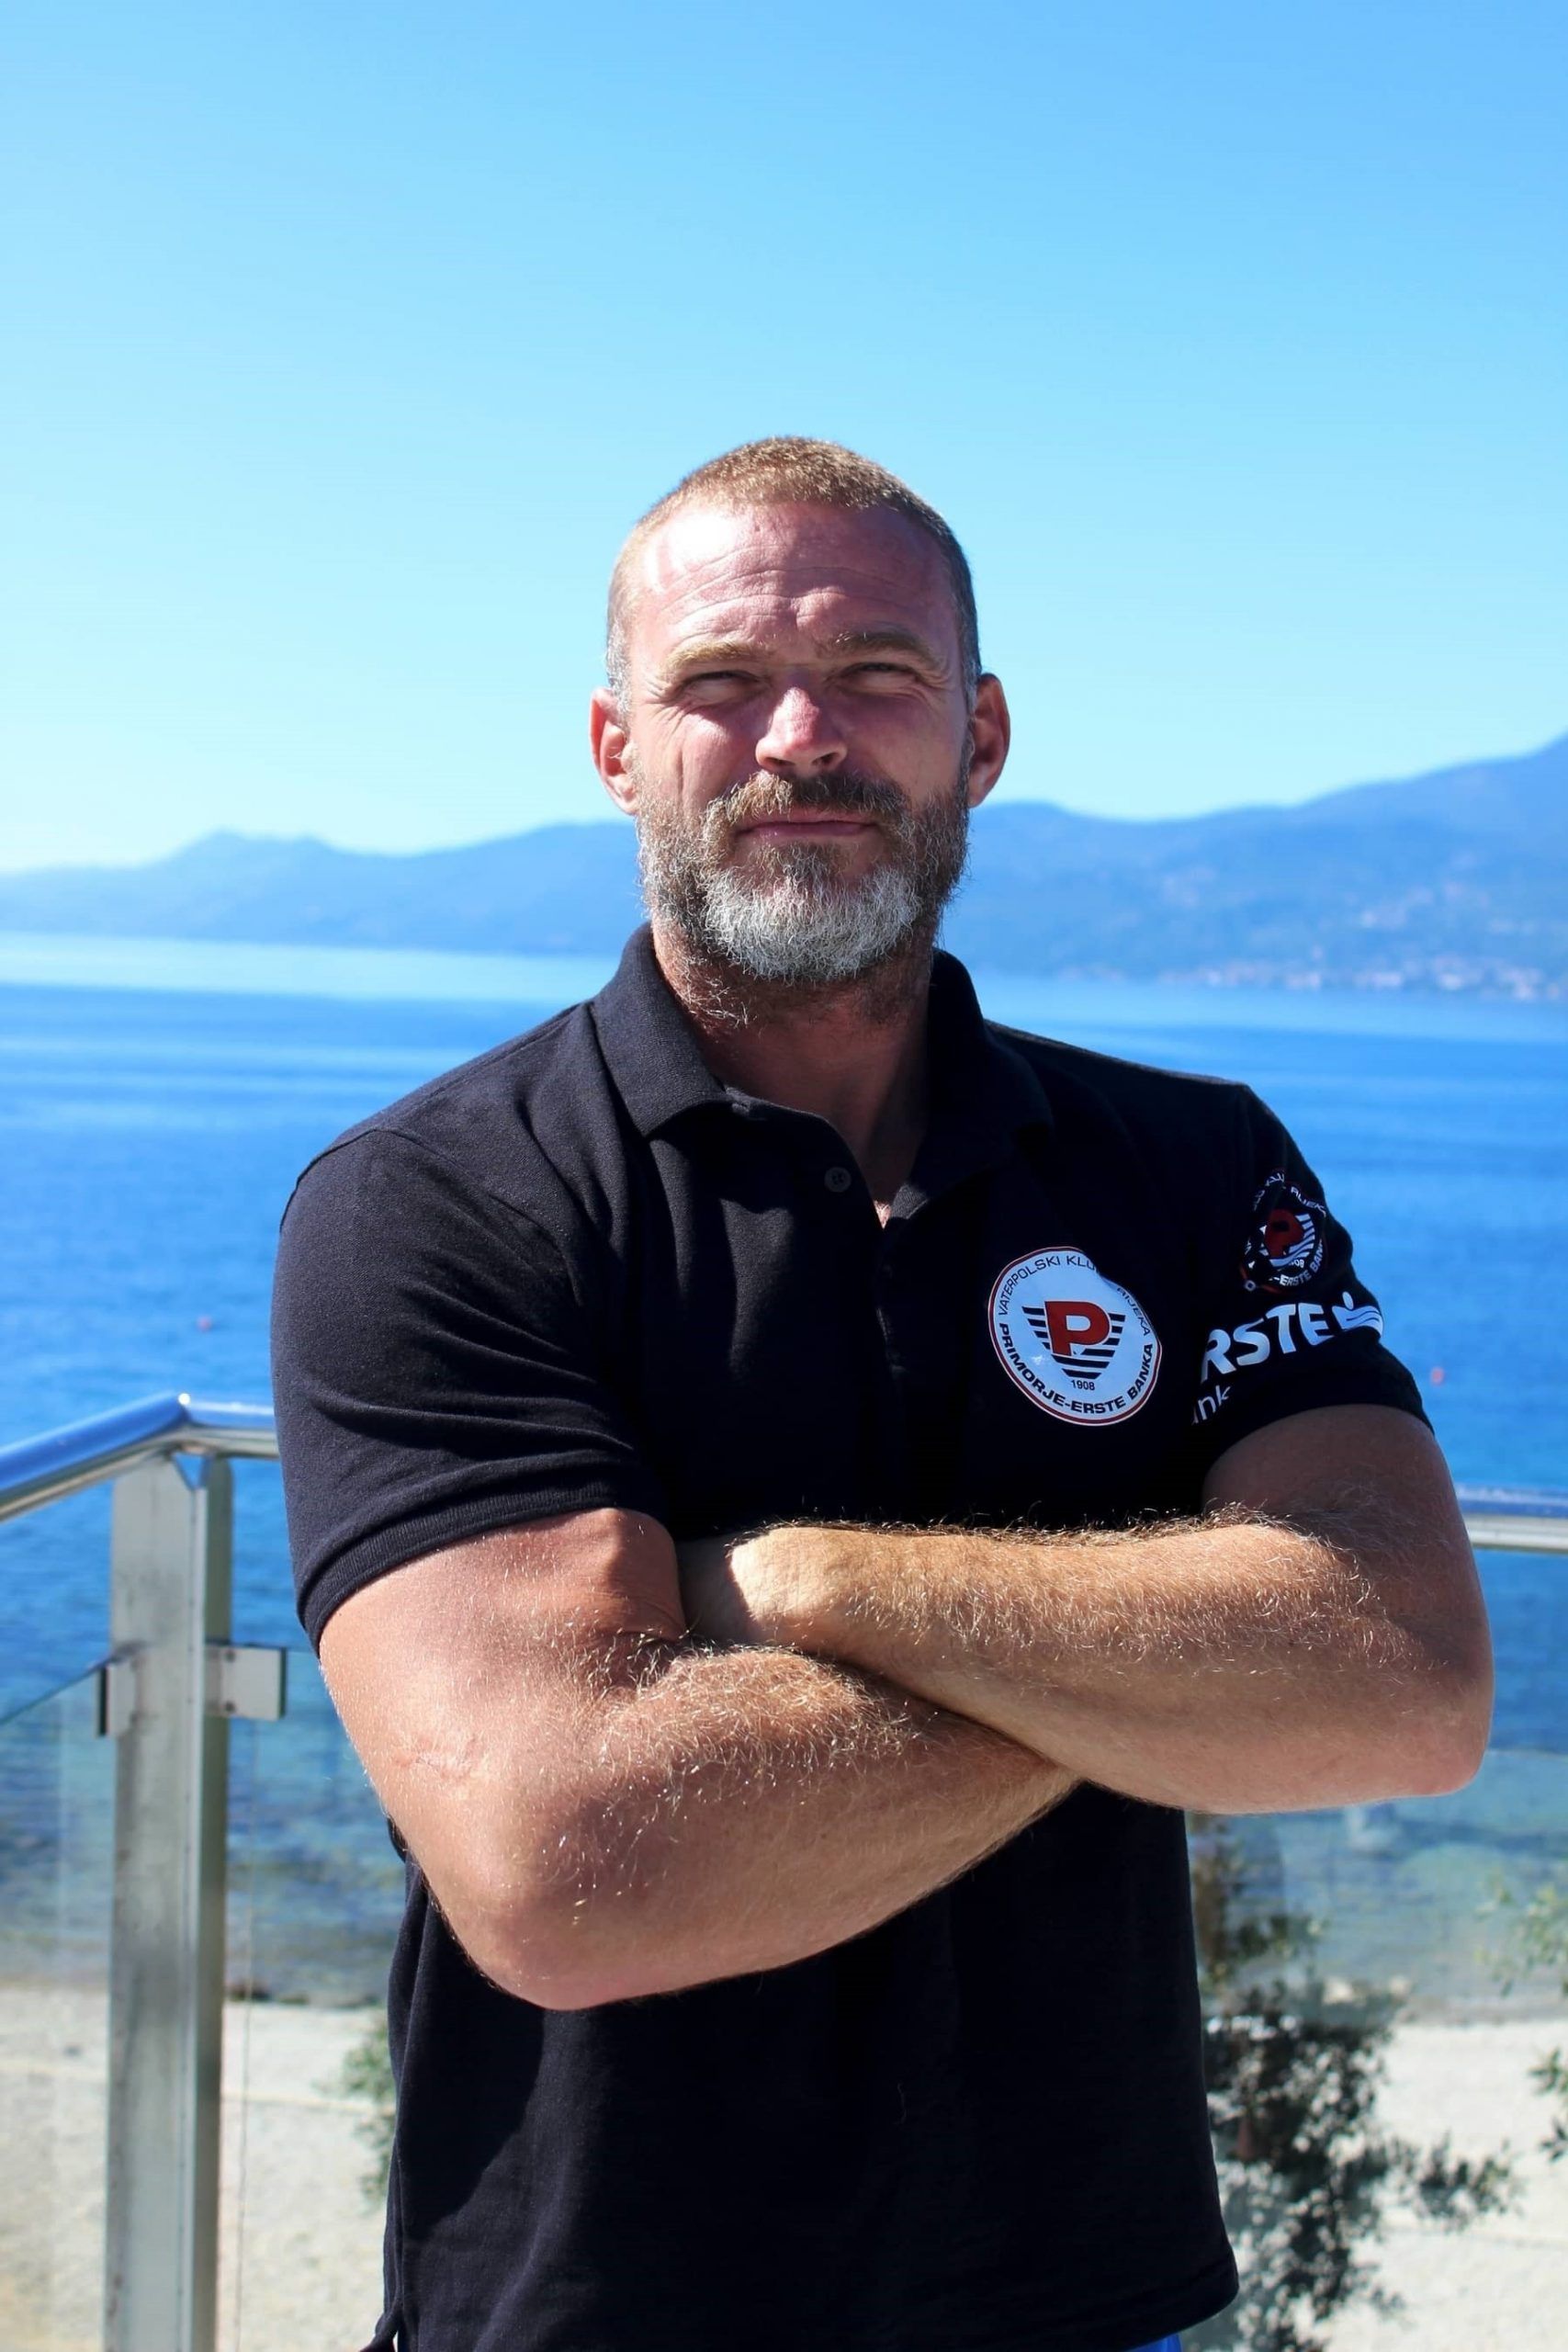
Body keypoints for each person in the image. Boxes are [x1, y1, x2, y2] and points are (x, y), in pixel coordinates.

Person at [271, 437, 1493, 2352]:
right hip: (590, 2310)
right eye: (720, 681)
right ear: (614, 747)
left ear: (979, 735)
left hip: (1095, 2302)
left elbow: (1403, 1676)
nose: (798, 736)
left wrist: (802, 1583)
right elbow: (569, 1866)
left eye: (873, 674)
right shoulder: (437, 1201)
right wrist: (1170, 1679)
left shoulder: (1189, 1165)